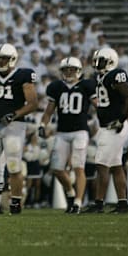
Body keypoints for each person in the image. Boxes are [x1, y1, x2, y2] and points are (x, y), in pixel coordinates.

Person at [0, 43, 38, 215]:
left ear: (12, 59)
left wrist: (14, 114)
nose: (0, 61)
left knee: (13, 165)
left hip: (15, 125)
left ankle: (16, 203)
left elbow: (33, 103)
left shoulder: (23, 75)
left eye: (3, 58)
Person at [39, 57, 96, 214]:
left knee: (79, 167)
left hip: (80, 131)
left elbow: (98, 105)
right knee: (57, 168)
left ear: (79, 71)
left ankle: (77, 202)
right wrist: (43, 124)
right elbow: (49, 110)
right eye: (66, 70)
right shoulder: (56, 87)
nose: (69, 72)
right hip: (62, 131)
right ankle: (71, 194)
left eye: (72, 69)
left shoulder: (86, 85)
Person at [83, 47, 128, 213]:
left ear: (111, 61)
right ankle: (122, 203)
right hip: (108, 126)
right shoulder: (102, 77)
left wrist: (121, 120)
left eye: (102, 61)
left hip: (114, 127)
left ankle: (99, 203)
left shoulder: (115, 75)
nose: (97, 64)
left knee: (101, 165)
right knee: (116, 166)